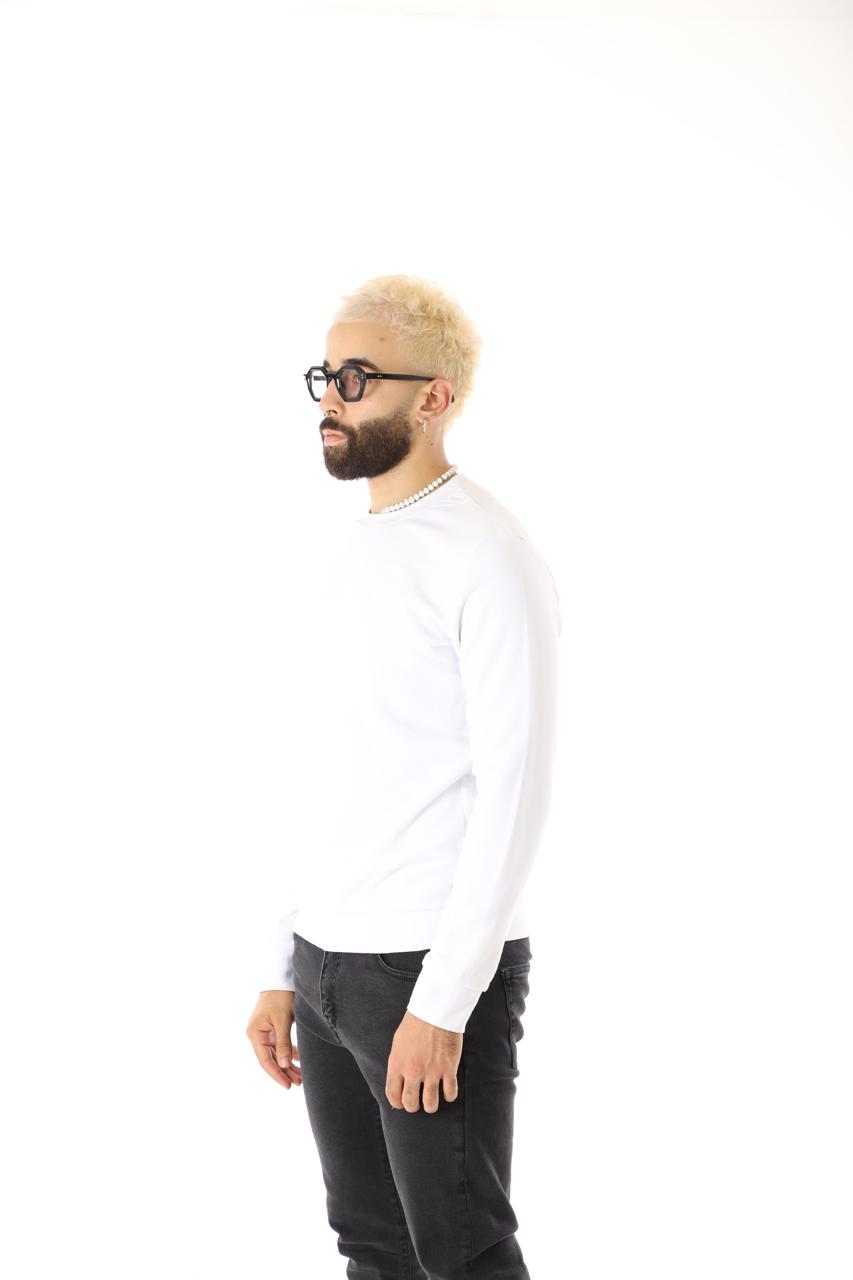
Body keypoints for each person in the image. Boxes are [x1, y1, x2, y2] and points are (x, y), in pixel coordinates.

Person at [245, 274, 561, 1279]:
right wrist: (281, 965)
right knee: (373, 1249)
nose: (330, 398)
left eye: (357, 377)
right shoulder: (355, 551)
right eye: (325, 376)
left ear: (435, 396)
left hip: (423, 964)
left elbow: (517, 790)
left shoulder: (488, 554)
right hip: (328, 966)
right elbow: (323, 771)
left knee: (462, 1255)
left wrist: (446, 1000)